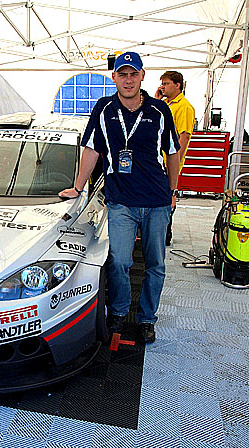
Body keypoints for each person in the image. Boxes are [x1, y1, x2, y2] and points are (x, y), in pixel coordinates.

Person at [59, 51, 180, 344]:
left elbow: (173, 152)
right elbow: (91, 148)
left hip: (156, 200)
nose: (128, 80)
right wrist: (77, 186)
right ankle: (119, 311)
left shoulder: (159, 111)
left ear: (142, 76)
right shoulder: (103, 108)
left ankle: (147, 319)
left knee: (156, 265)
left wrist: (172, 191)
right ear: (114, 77)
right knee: (119, 261)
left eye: (133, 74)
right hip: (121, 200)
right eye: (122, 74)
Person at [155, 70, 195, 245]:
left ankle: (165, 235)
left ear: (178, 85)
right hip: (157, 160)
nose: (162, 87)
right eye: (162, 84)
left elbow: (184, 137)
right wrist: (156, 101)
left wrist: (174, 163)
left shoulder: (184, 107)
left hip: (168, 162)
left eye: (166, 84)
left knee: (167, 198)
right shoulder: (166, 104)